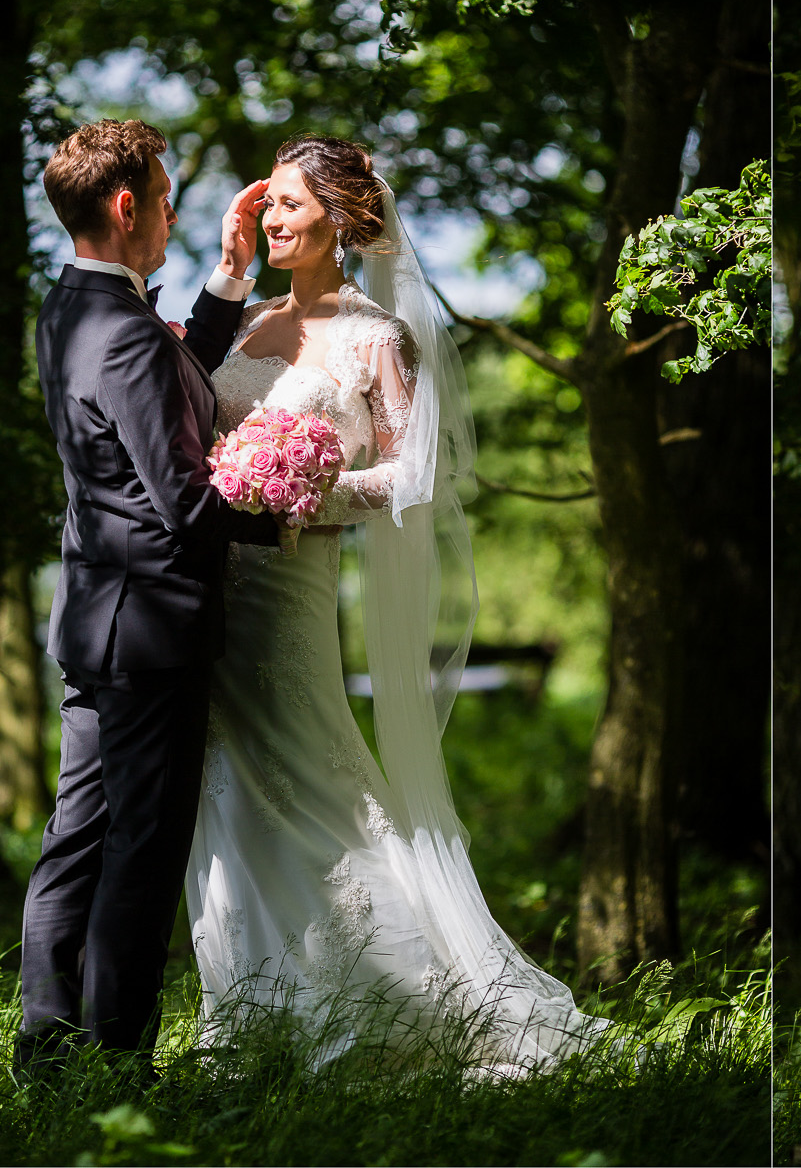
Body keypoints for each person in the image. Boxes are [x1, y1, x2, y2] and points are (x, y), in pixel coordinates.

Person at [185, 133, 604, 1071]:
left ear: (340, 218)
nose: (274, 217)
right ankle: (251, 1015)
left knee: (312, 774)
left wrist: (304, 493)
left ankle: (400, 1006)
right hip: (210, 593)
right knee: (225, 788)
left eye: (290, 203)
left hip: (293, 586)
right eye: (270, 202)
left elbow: (416, 476)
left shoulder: (381, 337)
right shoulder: (241, 323)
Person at [18, 120, 283, 1078]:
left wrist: (227, 276)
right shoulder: (121, 331)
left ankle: (45, 1051)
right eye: (167, 198)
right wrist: (297, 513)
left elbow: (170, 382)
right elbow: (183, 503)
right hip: (153, 630)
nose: (172, 212)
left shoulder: (74, 311)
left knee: (77, 837)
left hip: (95, 621)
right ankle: (116, 1062)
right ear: (127, 206)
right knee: (139, 847)